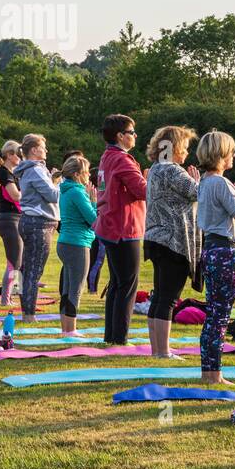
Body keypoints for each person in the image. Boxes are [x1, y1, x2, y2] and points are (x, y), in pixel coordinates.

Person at [196, 131, 235, 386]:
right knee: (220, 316)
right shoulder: (221, 183)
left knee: (214, 314)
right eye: (231, 151)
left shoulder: (205, 183)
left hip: (210, 249)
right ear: (221, 154)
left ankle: (209, 371)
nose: (234, 155)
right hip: (225, 252)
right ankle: (213, 374)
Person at [143, 125, 201, 358]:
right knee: (168, 298)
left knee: (159, 295)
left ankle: (157, 348)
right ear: (174, 147)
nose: (187, 152)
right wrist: (198, 180)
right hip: (173, 241)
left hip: (155, 238)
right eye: (185, 147)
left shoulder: (157, 168)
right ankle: (163, 350)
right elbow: (199, 193)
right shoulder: (173, 171)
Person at [94, 114, 147, 345]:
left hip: (109, 224)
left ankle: (111, 336)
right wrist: (152, 179)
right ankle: (120, 338)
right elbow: (142, 190)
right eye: (131, 132)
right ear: (120, 136)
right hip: (125, 227)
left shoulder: (107, 157)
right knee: (127, 285)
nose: (135, 136)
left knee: (117, 284)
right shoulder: (123, 160)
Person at [13, 133, 60, 323]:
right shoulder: (36, 170)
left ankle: (27, 311)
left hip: (31, 222)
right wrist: (63, 183)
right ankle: (29, 315)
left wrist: (53, 180)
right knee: (34, 270)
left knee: (28, 269)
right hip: (39, 224)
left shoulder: (31, 169)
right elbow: (53, 196)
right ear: (34, 150)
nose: (46, 150)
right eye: (43, 147)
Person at [56, 156, 98, 334]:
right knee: (76, 288)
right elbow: (93, 219)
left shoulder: (65, 190)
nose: (89, 175)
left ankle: (66, 328)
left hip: (65, 242)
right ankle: (71, 329)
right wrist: (94, 201)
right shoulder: (78, 192)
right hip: (77, 244)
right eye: (86, 172)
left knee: (67, 288)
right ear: (76, 174)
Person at [0, 140, 23, 306]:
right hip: (9, 219)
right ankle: (5, 300)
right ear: (10, 155)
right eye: (18, 154)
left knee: (19, 261)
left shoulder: (13, 173)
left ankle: (16, 296)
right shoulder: (4, 173)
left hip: (16, 218)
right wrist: (33, 187)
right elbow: (15, 196)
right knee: (14, 261)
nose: (20, 157)